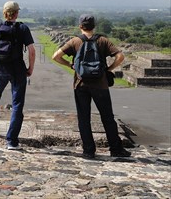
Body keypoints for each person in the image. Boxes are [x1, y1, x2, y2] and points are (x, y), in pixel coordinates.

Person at [52, 15, 131, 159]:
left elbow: (55, 56)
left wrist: (71, 66)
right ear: (94, 26)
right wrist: (109, 69)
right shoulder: (102, 40)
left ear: (80, 26)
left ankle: (89, 150)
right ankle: (116, 148)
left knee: (84, 118)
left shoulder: (75, 41)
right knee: (107, 117)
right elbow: (120, 57)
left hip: (81, 84)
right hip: (100, 85)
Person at [0, 1, 35, 150]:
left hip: (1, 69)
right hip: (18, 69)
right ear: (17, 13)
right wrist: (30, 68)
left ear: (4, 13)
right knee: (17, 103)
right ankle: (12, 141)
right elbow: (32, 51)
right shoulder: (23, 28)